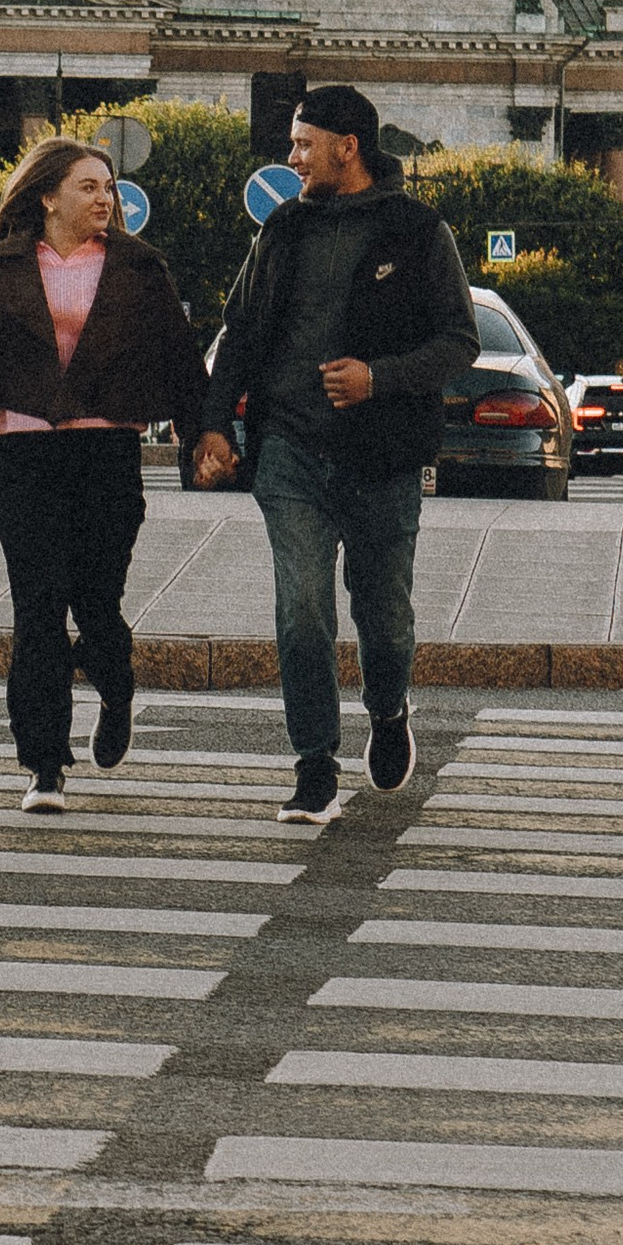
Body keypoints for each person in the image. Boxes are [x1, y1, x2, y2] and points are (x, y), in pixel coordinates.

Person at [193, 83, 475, 824]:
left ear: (348, 148)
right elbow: (241, 332)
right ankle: (313, 763)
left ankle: (388, 711)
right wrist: (216, 427)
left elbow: (459, 341)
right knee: (302, 610)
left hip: (381, 455)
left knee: (383, 614)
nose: (292, 158)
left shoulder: (417, 230)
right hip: (290, 450)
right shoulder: (282, 229)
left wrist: (376, 378)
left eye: (303, 144)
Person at [0, 136, 208, 810]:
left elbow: (181, 360)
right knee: (38, 608)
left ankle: (116, 686)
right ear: (48, 196)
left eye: (108, 187)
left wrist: (208, 441)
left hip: (105, 456)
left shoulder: (140, 268)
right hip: (23, 455)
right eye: (89, 187)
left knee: (97, 604)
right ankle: (45, 764)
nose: (104, 198)